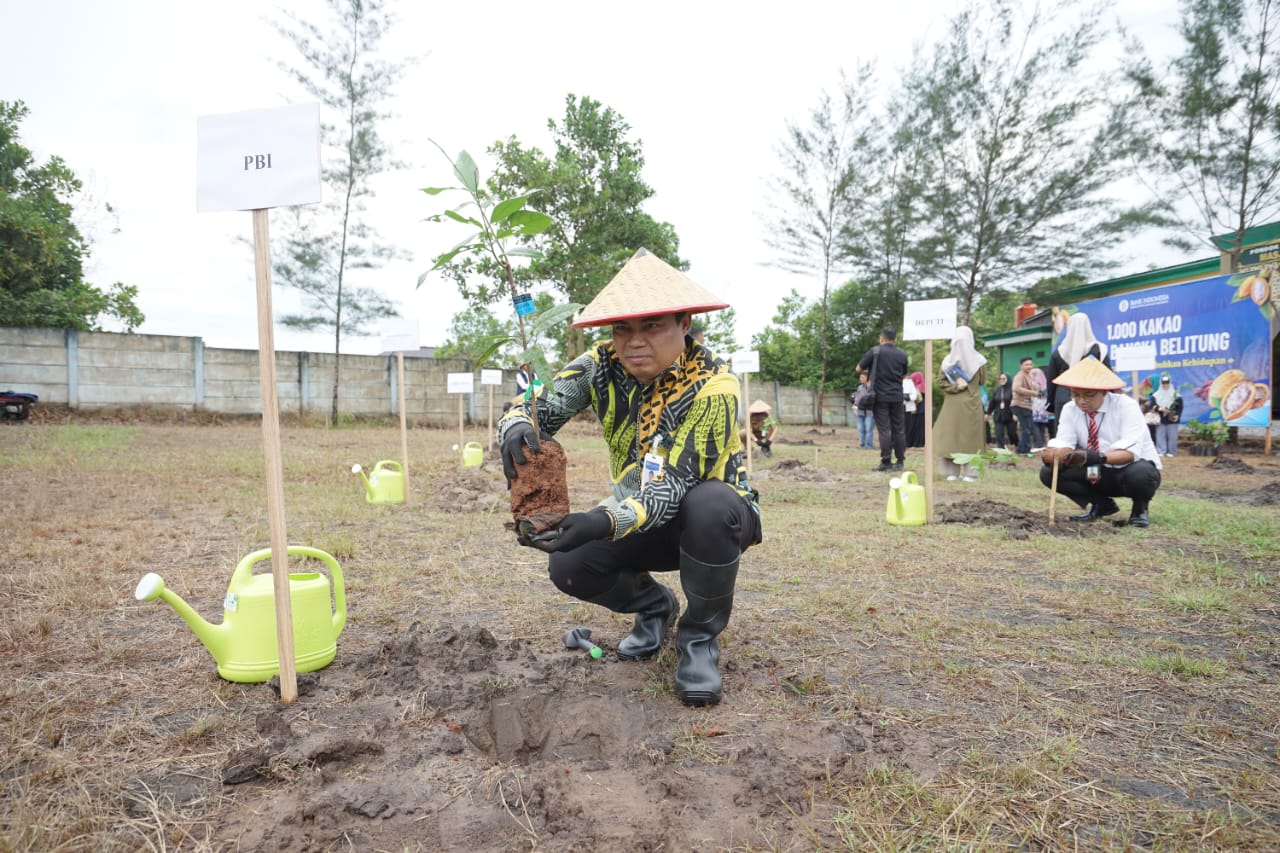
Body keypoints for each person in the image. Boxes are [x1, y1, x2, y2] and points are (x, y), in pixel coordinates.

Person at [498, 248, 761, 707]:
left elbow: (674, 485)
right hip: (640, 515)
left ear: (685, 324)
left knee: (710, 504)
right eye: (623, 328)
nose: (634, 341)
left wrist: (600, 520)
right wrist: (518, 423)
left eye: (652, 326)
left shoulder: (716, 387)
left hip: (711, 521)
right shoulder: (599, 365)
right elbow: (543, 404)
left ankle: (698, 641)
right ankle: (655, 608)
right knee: (569, 563)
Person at [1039, 356, 1161, 528]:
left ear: (1104, 391)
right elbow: (1064, 441)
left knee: (1141, 473)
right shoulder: (1070, 409)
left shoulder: (1126, 406)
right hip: (1096, 472)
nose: (1081, 401)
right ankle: (1101, 504)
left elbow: (1129, 453)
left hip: (1124, 471)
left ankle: (1140, 509)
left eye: (1088, 395)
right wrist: (1056, 454)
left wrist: (1098, 457)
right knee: (1049, 472)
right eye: (1076, 394)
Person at [935, 326, 987, 481]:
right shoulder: (980, 361)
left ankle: (951, 472)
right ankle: (971, 473)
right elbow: (982, 381)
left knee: (952, 436)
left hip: (953, 402)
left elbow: (940, 381)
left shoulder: (948, 361)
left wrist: (955, 387)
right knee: (972, 438)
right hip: (972, 402)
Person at [856, 327, 910, 472]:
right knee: (899, 429)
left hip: (880, 397)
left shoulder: (875, 351)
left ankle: (886, 461)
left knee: (884, 429)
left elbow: (858, 369)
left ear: (881, 338)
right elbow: (904, 375)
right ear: (895, 340)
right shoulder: (902, 354)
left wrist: (874, 371)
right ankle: (900, 462)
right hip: (897, 396)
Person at [1046, 312, 1110, 419]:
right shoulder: (1098, 350)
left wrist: (1051, 403)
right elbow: (1107, 376)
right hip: (1092, 397)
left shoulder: (1059, 352)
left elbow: (1051, 381)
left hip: (1063, 397)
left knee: (1065, 433)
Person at [1010, 356, 1043, 456]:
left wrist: (1037, 393)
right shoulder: (1020, 375)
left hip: (1027, 405)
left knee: (1027, 428)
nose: (1029, 366)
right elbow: (1016, 388)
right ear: (1021, 366)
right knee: (1026, 429)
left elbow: (1034, 390)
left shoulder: (1030, 376)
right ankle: (1023, 450)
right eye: (1026, 364)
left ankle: (1022, 449)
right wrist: (1033, 393)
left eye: (1030, 364)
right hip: (1020, 404)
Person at [1150, 373, 1183, 457]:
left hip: (1172, 418)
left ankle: (1171, 451)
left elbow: (1180, 407)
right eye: (1164, 383)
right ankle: (1161, 450)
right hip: (1161, 418)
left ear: (1169, 383)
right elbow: (1152, 406)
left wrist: (1177, 415)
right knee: (1160, 435)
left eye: (1167, 383)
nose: (1165, 385)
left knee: (1172, 436)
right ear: (1161, 384)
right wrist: (1159, 408)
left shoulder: (1176, 395)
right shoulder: (1156, 395)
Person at [987, 372, 1018, 449]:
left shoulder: (1012, 389)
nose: (1001, 380)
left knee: (1012, 433)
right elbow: (992, 402)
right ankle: (1001, 449)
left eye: (1003, 379)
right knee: (999, 433)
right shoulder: (997, 390)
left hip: (1010, 414)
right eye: (1000, 379)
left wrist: (1015, 413)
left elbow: (1016, 402)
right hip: (999, 415)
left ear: (1008, 380)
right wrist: (988, 413)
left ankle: (1016, 445)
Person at [851, 373, 876, 449]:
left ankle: (869, 445)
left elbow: (871, 397)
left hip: (870, 411)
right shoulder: (859, 387)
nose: (860, 379)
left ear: (868, 378)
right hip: (860, 411)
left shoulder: (873, 387)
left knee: (868, 429)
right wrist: (854, 404)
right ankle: (862, 444)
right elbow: (857, 398)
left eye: (862, 377)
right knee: (861, 429)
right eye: (860, 377)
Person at [1030, 366, 1052, 444]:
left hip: (1036, 407)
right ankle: (1043, 442)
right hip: (1043, 408)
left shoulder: (1034, 383)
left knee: (1035, 425)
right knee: (1042, 425)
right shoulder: (1045, 384)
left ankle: (1038, 443)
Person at [905, 371, 927, 448]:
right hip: (923, 411)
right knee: (920, 429)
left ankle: (912, 443)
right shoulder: (924, 386)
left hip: (915, 410)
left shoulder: (916, 388)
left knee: (912, 427)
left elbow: (915, 399)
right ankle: (920, 443)